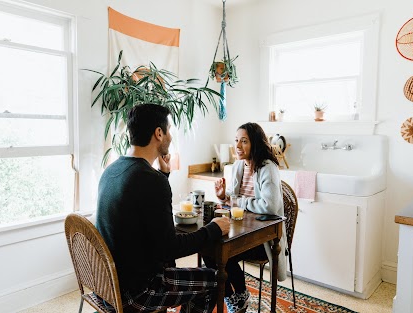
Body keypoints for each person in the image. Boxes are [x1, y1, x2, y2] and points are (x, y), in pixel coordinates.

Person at [96, 103, 230, 313]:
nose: (170, 137)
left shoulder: (111, 170)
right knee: (214, 280)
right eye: (168, 131)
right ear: (158, 133)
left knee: (171, 266)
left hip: (106, 287)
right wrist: (214, 228)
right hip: (135, 293)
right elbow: (170, 247)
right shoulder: (150, 180)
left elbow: (143, 213)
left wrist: (163, 175)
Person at [204, 122, 287, 313]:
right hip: (240, 230)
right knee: (209, 247)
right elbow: (233, 200)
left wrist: (239, 202)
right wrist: (223, 196)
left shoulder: (268, 168)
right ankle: (236, 296)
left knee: (222, 250)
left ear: (255, 143)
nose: (238, 146)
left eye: (244, 141)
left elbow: (270, 206)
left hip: (262, 237)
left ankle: (238, 296)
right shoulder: (239, 166)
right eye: (236, 141)